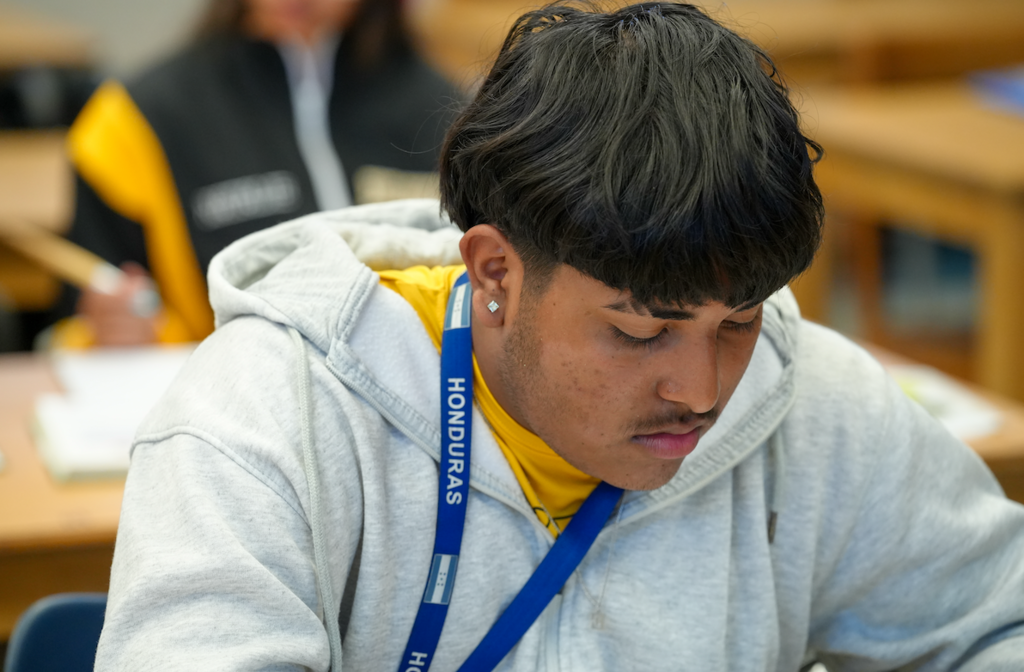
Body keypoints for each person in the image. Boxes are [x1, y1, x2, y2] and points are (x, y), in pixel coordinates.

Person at [95, 3, 1024, 670]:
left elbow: (998, 623)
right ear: (495, 270)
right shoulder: (265, 419)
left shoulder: (814, 400)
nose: (702, 391)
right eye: (640, 331)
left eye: (737, 321)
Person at [51, 0, 460, 347]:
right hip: (223, 408)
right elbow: (74, 333)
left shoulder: (453, 116)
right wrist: (116, 334)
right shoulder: (134, 123)